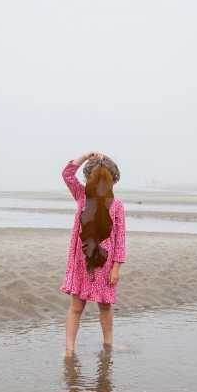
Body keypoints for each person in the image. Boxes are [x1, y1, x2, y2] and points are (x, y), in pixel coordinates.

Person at [59, 151, 126, 355]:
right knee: (76, 308)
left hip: (105, 266)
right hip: (82, 264)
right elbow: (67, 175)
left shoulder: (117, 205)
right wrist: (86, 156)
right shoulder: (82, 197)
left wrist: (116, 267)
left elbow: (120, 239)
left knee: (105, 308)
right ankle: (69, 349)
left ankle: (108, 344)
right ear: (88, 180)